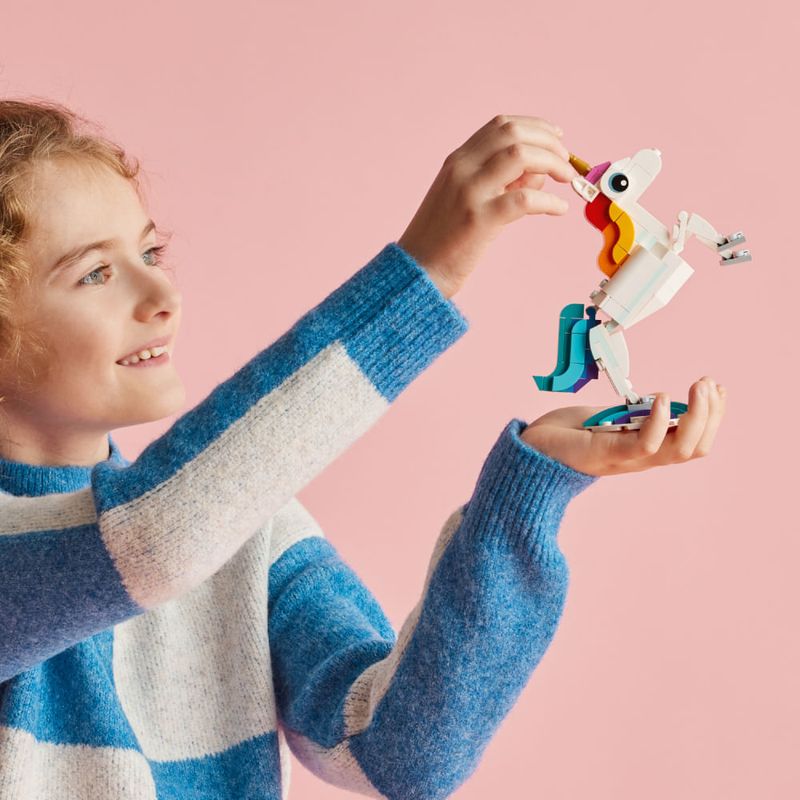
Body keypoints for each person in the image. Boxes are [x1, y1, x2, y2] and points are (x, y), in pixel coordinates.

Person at [0, 100, 726, 799]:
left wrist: (526, 491)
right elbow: (150, 540)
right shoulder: (166, 530)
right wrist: (424, 274)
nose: (162, 293)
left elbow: (401, 756)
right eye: (95, 273)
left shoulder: (243, 530)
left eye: (150, 251)